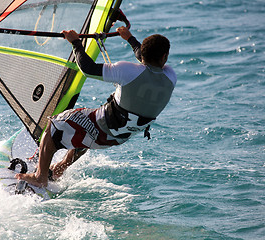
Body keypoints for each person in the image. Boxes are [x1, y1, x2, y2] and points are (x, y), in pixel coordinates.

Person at [15, 27, 177, 187]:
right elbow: (145, 59)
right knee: (83, 126)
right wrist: (130, 39)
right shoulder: (171, 76)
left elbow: (88, 69)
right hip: (119, 137)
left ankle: (40, 177)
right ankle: (59, 168)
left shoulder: (128, 70)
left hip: (103, 127)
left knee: (55, 123)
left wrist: (76, 43)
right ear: (164, 57)